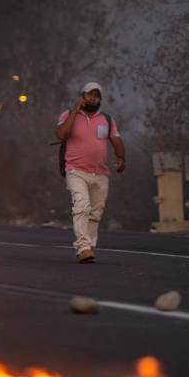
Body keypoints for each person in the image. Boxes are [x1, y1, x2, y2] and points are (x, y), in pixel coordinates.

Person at [55, 82, 125, 263]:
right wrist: (74, 111)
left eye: (96, 95)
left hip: (101, 173)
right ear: (82, 96)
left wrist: (121, 158)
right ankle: (83, 247)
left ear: (100, 99)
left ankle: (90, 247)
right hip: (76, 171)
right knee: (82, 206)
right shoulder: (68, 115)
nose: (93, 98)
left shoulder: (106, 119)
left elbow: (116, 140)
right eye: (89, 95)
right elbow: (61, 134)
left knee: (95, 213)